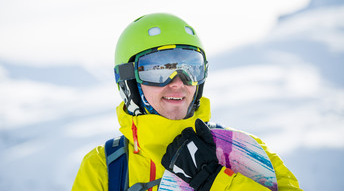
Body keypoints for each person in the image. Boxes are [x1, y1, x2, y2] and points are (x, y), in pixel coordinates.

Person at [72, 13, 302, 190]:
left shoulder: (242, 149)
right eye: (158, 70)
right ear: (129, 81)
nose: (178, 83)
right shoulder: (105, 168)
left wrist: (216, 181)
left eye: (190, 68)